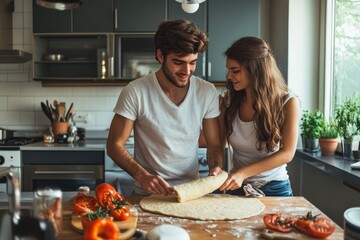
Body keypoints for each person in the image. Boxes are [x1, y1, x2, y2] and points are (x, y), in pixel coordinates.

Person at [107, 19, 224, 196]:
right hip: (147, 194)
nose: (187, 70)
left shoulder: (206, 91)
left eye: (192, 62)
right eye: (178, 62)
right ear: (160, 56)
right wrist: (143, 177)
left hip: (189, 193)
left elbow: (214, 144)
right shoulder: (136, 91)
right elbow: (114, 145)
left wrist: (215, 167)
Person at [218, 36, 300, 196]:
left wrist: (242, 173)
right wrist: (217, 168)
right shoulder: (228, 101)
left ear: (256, 70)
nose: (228, 76)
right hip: (237, 187)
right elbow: (220, 144)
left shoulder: (288, 102)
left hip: (275, 189)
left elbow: (287, 153)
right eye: (228, 70)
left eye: (235, 71)